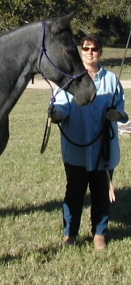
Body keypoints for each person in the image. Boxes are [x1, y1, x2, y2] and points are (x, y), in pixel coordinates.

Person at [51, 33, 128, 250]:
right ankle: (70, 234)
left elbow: (122, 109)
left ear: (100, 52)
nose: (90, 52)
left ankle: (99, 233)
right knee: (74, 193)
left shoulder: (112, 79)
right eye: (86, 49)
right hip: (76, 149)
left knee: (101, 193)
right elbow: (62, 108)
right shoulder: (69, 79)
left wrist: (118, 115)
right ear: (81, 52)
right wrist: (56, 115)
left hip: (104, 151)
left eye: (94, 49)